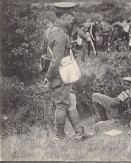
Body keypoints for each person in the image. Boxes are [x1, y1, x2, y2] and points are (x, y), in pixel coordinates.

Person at [42, 2, 93, 140]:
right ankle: (59, 136)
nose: (72, 19)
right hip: (60, 74)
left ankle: (79, 133)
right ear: (64, 16)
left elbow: (43, 52)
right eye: (70, 16)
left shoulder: (50, 30)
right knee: (62, 104)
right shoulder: (59, 34)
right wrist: (49, 77)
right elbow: (55, 60)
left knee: (71, 101)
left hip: (61, 74)